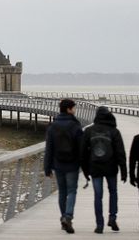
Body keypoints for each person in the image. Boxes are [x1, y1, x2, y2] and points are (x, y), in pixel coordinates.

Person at [81, 106, 127, 234]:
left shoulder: (89, 131)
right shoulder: (114, 131)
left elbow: (83, 153)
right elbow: (120, 152)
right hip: (111, 167)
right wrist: (124, 171)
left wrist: (85, 171)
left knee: (98, 196)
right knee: (113, 192)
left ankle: (99, 224)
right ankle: (112, 217)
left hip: (95, 168)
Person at [44, 98, 84, 234]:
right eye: (74, 108)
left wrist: (47, 168)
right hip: (72, 164)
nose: (75, 110)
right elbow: (81, 147)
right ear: (68, 109)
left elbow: (49, 148)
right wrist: (84, 165)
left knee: (62, 192)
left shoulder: (53, 126)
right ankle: (68, 216)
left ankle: (63, 218)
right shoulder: (75, 125)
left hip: (58, 164)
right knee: (72, 191)